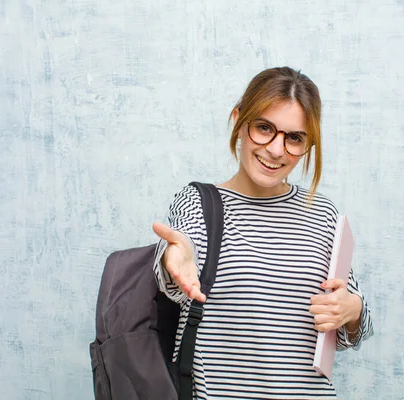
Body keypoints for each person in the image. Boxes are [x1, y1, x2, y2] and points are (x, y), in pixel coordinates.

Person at [152, 66, 374, 399]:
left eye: (294, 138)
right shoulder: (198, 202)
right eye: (264, 128)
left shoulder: (323, 215)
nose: (275, 149)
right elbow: (172, 272)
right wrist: (175, 257)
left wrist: (352, 310)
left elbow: (354, 330)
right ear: (240, 121)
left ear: (308, 145)